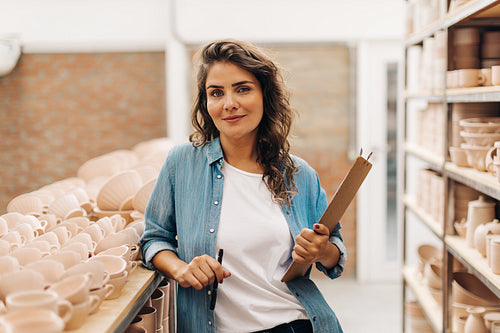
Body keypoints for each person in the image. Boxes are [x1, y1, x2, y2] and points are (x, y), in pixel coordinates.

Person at [141, 39, 346, 333]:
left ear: (265, 95)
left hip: (295, 323)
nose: (229, 104)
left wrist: (321, 250)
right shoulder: (182, 164)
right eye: (216, 93)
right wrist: (182, 270)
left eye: (242, 89)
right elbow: (154, 239)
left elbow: (335, 254)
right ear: (206, 102)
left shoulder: (300, 174)